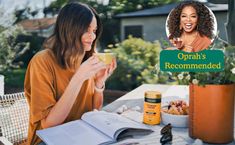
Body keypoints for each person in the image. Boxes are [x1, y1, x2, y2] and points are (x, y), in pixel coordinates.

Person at [24, 2, 116, 145]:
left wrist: (99, 83)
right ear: (69, 29)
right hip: (47, 140)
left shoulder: (88, 60)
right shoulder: (42, 61)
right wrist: (78, 78)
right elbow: (49, 124)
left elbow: (94, 111)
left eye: (94, 30)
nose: (92, 36)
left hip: (81, 134)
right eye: (86, 29)